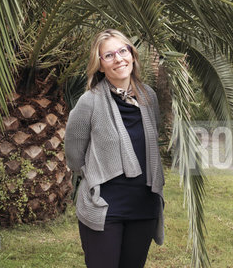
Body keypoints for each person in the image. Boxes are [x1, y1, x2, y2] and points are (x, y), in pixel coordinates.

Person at [64, 29, 165, 268]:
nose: (118, 59)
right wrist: (96, 176)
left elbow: (153, 139)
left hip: (144, 206)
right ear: (99, 65)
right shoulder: (89, 101)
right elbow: (74, 154)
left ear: (132, 54)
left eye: (123, 51)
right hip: (105, 208)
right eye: (108, 55)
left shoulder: (149, 97)